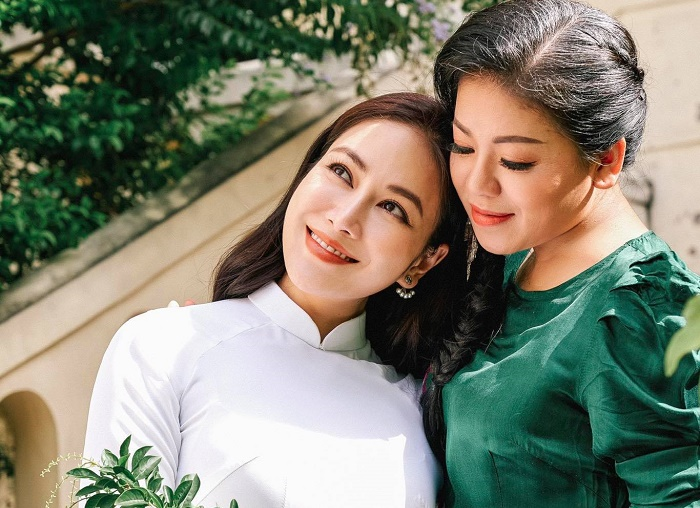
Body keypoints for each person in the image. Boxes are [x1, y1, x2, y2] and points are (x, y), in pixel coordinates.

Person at [82, 92, 502, 507]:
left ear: (425, 260)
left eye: (392, 208)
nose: (344, 219)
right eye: (341, 171)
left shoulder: (423, 416)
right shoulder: (164, 347)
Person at [421, 0, 700, 506]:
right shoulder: (519, 252)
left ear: (606, 159)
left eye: (515, 161)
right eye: (463, 147)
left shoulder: (641, 313)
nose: (477, 183)